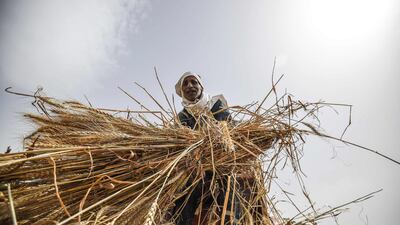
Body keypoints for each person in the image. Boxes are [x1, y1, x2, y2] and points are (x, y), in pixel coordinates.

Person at [173, 72, 240, 225]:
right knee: (182, 193)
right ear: (182, 91)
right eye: (186, 83)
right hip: (196, 169)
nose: (190, 86)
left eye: (194, 82)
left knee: (228, 185)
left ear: (200, 86)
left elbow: (230, 129)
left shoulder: (216, 105)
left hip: (221, 164)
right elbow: (179, 142)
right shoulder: (182, 116)